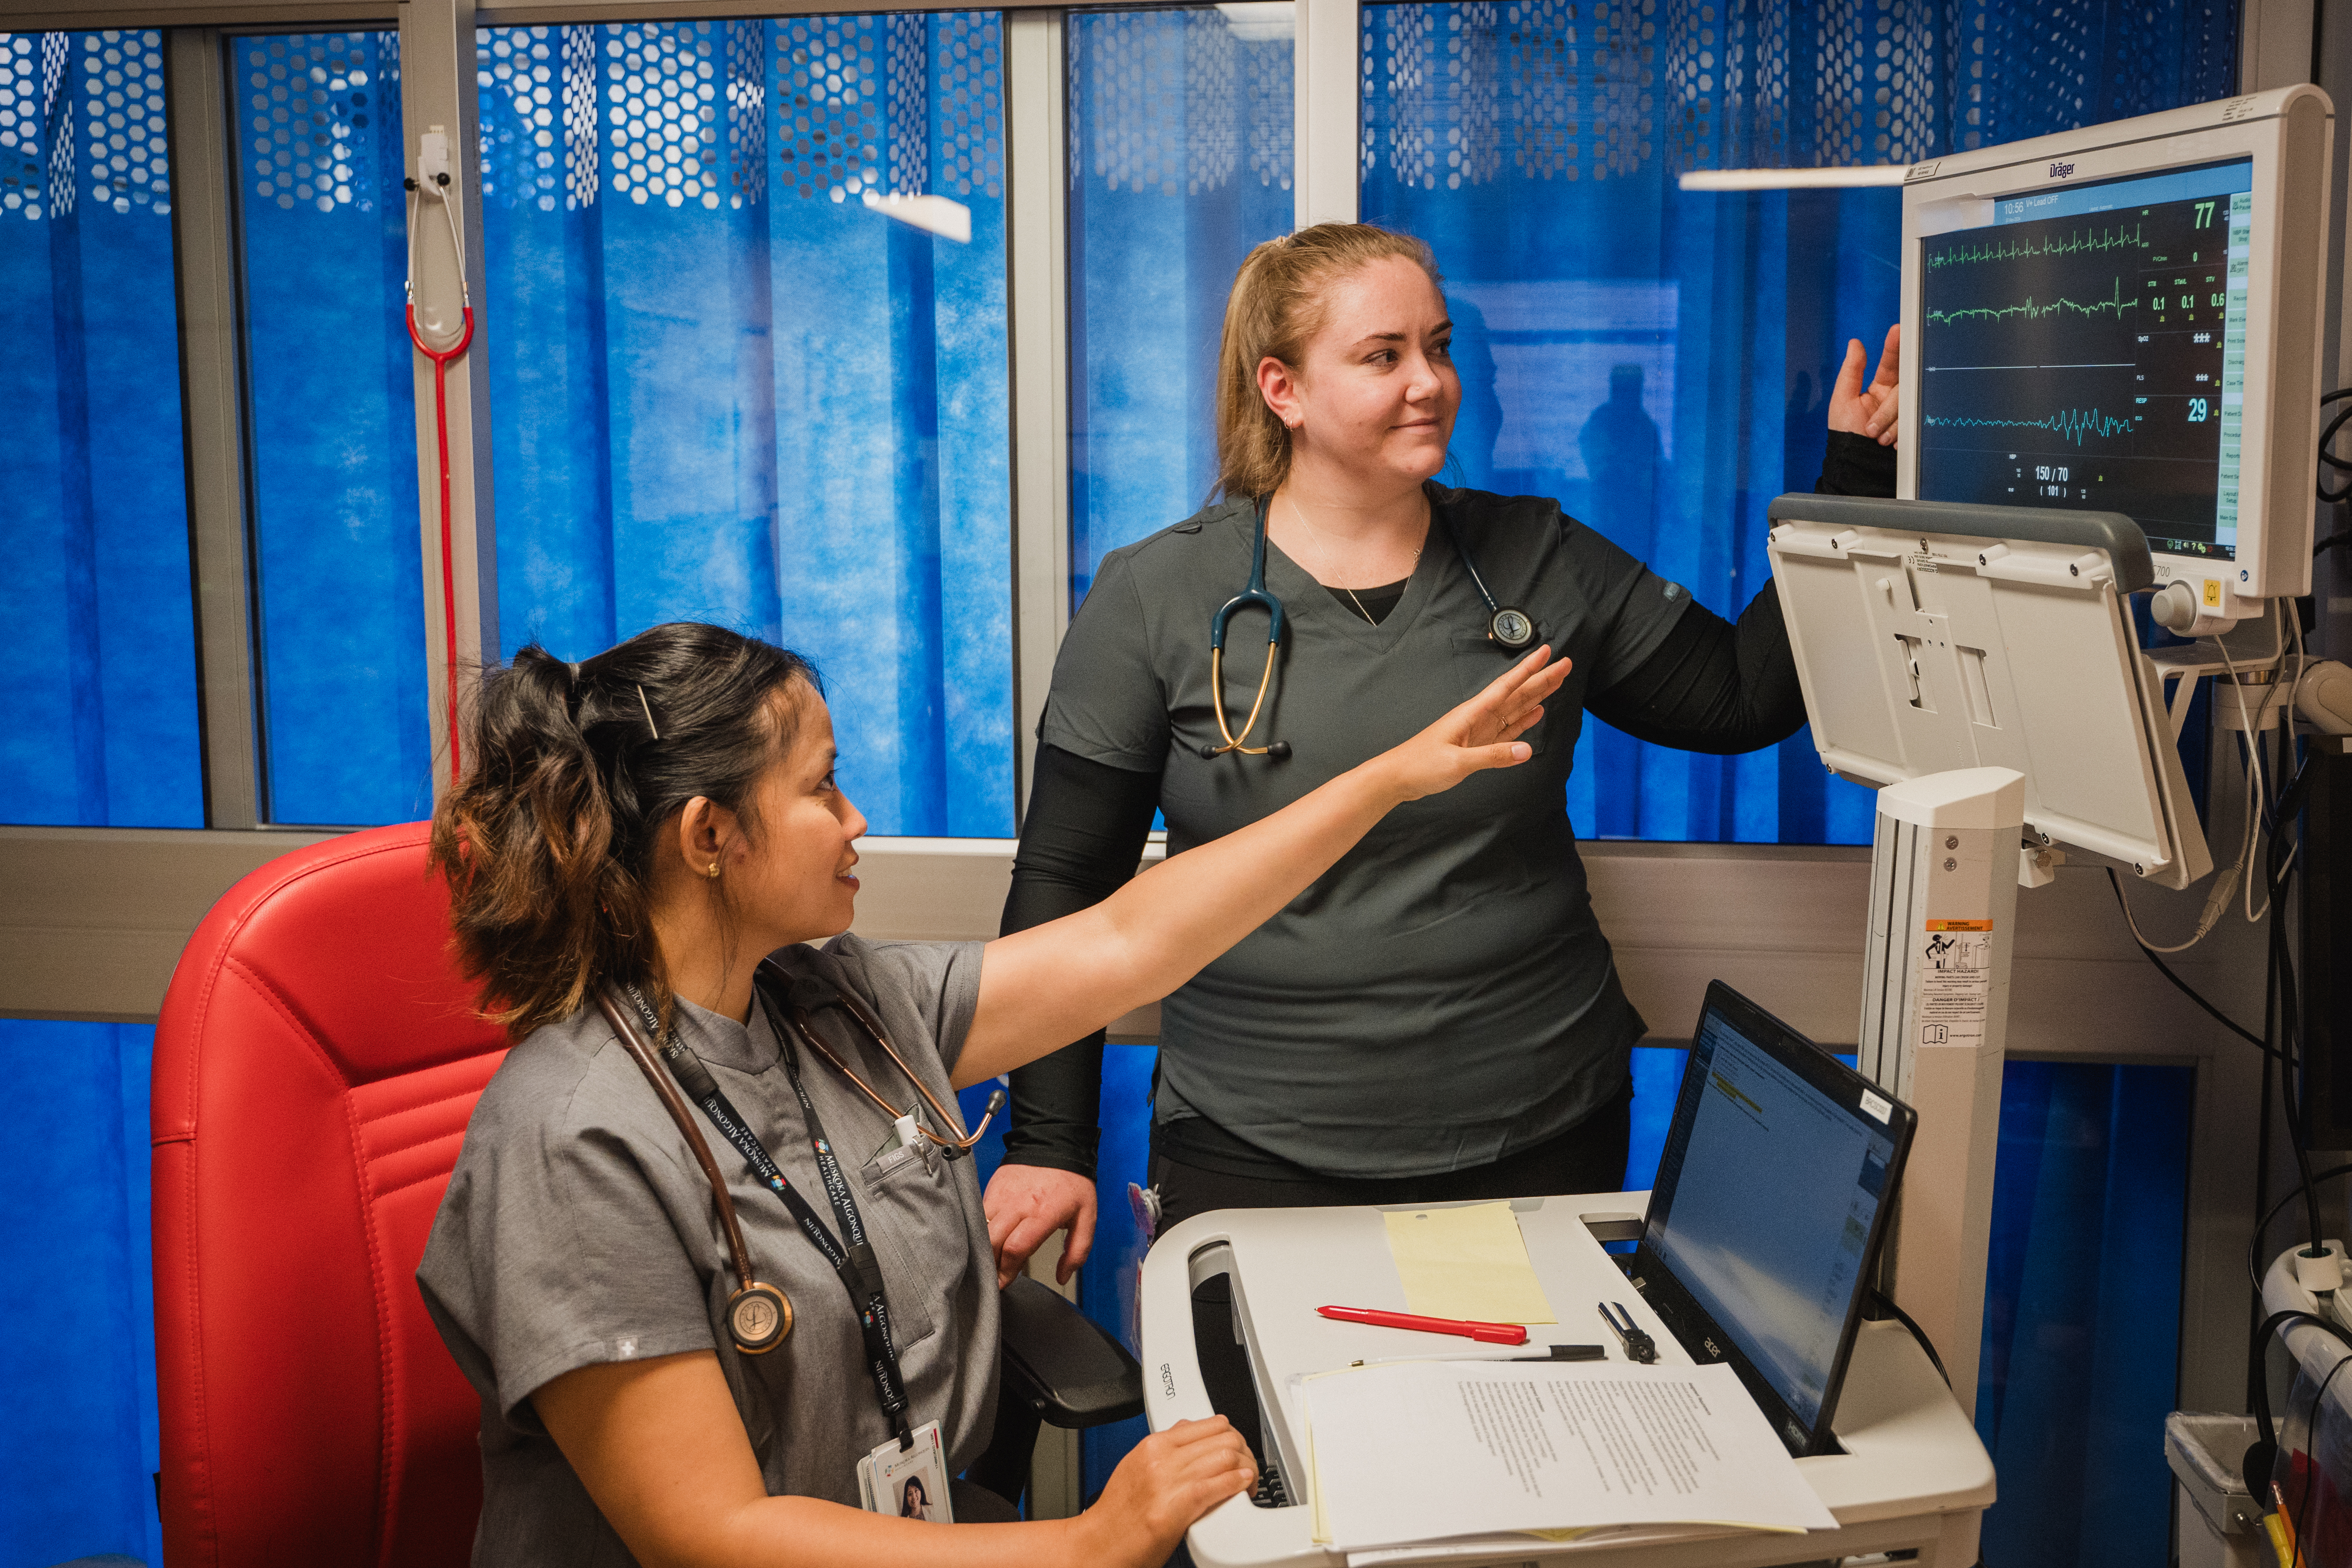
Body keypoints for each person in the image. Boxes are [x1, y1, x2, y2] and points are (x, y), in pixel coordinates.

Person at [414, 618, 1569, 1567]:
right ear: (710, 835)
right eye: (822, 788)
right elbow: (713, 1532)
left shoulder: (835, 1003)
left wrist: (1389, 783)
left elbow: (1127, 942)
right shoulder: (574, 1139)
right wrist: (1086, 1542)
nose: (856, 818)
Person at [982, 223, 1901, 1290]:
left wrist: (1850, 481)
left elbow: (1743, 699)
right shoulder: (1156, 597)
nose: (1431, 382)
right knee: (1268, 1452)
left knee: (1517, 1446)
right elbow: (1063, 881)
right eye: (1384, 356)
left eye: (1441, 346)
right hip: (1255, 1145)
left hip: (1536, 1131)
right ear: (1281, 389)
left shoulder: (1539, 556)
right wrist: (1047, 1142)